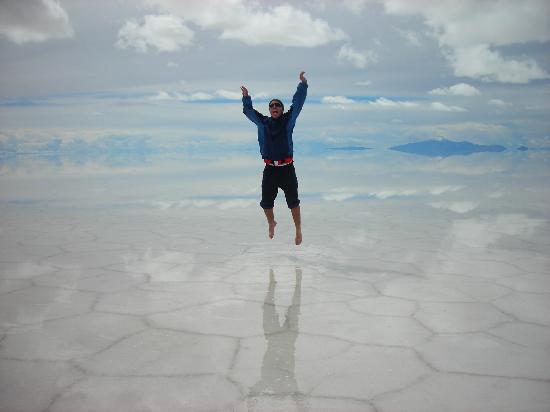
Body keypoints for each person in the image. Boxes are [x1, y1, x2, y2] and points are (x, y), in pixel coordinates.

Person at [241, 71, 308, 245]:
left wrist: (302, 85)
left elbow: (298, 104)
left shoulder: (288, 120)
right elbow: (248, 112)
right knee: (266, 203)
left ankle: (298, 229)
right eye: (272, 106)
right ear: (269, 110)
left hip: (287, 169)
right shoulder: (263, 122)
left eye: (278, 105)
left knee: (293, 202)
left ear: (282, 109)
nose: (274, 107)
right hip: (270, 169)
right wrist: (246, 97)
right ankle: (271, 222)